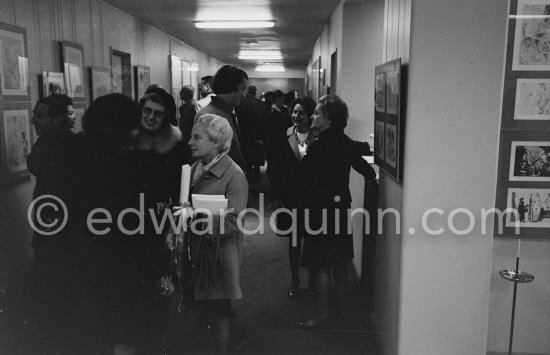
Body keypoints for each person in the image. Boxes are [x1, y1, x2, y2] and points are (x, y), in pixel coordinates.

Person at [77, 93, 149, 354]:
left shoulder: (77, 151)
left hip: (82, 252)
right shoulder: (121, 162)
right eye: (133, 126)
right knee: (121, 326)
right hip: (115, 254)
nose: (136, 132)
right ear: (115, 128)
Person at [299, 95, 376, 328]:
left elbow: (304, 179)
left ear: (329, 119)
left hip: (319, 211)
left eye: (317, 113)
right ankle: (341, 308)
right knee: (341, 260)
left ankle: (322, 314)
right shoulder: (344, 142)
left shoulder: (319, 145)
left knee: (321, 264)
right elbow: (367, 170)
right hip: (340, 208)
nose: (312, 116)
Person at [131, 91, 192, 347]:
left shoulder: (177, 145)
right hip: (132, 222)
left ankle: (161, 337)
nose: (151, 117)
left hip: (165, 222)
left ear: (167, 116)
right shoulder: (130, 141)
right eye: (146, 111)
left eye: (158, 113)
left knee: (164, 278)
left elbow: (183, 186)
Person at [186, 113, 248, 353]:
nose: (190, 142)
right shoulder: (196, 167)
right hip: (199, 253)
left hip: (219, 256)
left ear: (216, 143)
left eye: (196, 137)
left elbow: (235, 220)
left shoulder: (234, 175)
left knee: (219, 312)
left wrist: (196, 220)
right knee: (202, 311)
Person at [27, 93, 81, 349]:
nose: (34, 120)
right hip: (49, 224)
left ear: (56, 119)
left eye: (40, 116)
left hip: (62, 227)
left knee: (57, 288)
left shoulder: (64, 145)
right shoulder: (48, 142)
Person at [269, 96, 317, 298]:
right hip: (290, 197)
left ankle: (314, 280)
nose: (296, 116)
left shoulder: (319, 137)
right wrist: (275, 196)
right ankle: (295, 277)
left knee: (314, 240)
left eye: (301, 113)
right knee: (294, 240)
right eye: (294, 112)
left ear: (311, 115)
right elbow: (275, 169)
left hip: (314, 199)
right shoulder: (284, 137)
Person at [194, 65, 248, 172]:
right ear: (232, 88)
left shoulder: (224, 112)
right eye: (243, 89)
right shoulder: (211, 116)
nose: (244, 94)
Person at [238, 85, 264, 180]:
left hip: (243, 132)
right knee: (256, 154)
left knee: (246, 155)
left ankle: (248, 174)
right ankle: (257, 174)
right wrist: (260, 135)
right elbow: (260, 120)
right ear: (255, 92)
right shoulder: (260, 103)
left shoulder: (241, 102)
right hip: (255, 133)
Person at [263, 90, 292, 177]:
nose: (283, 101)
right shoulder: (273, 112)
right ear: (277, 99)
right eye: (282, 99)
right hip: (274, 142)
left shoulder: (279, 110)